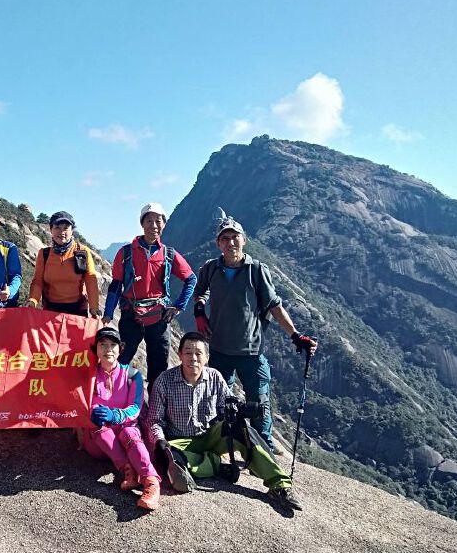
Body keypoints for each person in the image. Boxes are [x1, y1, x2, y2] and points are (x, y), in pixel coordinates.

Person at [192, 215, 317, 454]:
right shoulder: (210, 269)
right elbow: (200, 292)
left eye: (235, 237)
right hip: (219, 351)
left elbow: (274, 305)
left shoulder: (257, 270)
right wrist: (199, 310)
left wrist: (295, 335)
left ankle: (264, 455)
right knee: (220, 407)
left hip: (251, 353)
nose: (230, 243)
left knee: (260, 406)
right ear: (218, 243)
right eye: (225, 238)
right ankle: (221, 451)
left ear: (244, 240)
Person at [146, 332, 302, 511]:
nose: (193, 358)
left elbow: (228, 403)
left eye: (198, 353)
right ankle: (217, 466)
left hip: (210, 436)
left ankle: (279, 485)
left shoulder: (214, 377)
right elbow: (154, 420)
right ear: (180, 354)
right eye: (188, 353)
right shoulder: (164, 382)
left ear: (207, 357)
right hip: (179, 441)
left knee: (244, 431)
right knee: (171, 464)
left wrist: (243, 409)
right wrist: (160, 441)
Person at [102, 202, 196, 390]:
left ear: (164, 224)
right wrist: (108, 314)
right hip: (131, 315)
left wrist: (178, 306)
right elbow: (116, 285)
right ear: (142, 224)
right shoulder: (126, 252)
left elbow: (191, 279)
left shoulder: (169, 254)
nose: (154, 225)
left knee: (159, 367)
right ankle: (118, 399)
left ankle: (155, 410)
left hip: (159, 318)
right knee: (122, 361)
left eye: (158, 221)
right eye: (149, 221)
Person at [77, 327, 160, 511]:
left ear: (120, 349)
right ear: (96, 350)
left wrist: (115, 415)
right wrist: (92, 412)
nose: (108, 349)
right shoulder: (88, 375)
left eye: (113, 344)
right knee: (100, 428)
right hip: (98, 441)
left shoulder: (132, 375)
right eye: (103, 345)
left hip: (124, 431)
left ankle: (151, 483)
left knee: (130, 431)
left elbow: (135, 408)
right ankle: (127, 469)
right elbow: (81, 403)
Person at [27, 211, 100, 317]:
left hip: (77, 311)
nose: (61, 232)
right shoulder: (44, 254)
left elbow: (91, 280)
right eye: (57, 227)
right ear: (51, 230)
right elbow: (38, 281)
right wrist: (33, 300)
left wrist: (94, 308)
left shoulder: (83, 252)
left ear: (72, 231)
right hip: (51, 310)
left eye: (65, 228)